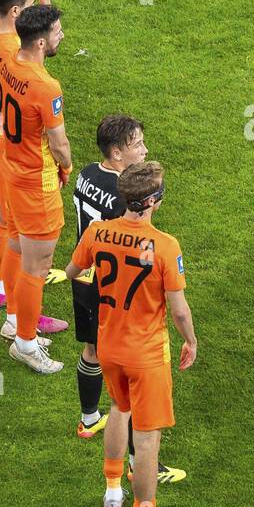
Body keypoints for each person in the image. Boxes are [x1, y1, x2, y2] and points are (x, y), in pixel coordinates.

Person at [65, 161, 197, 507]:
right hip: (146, 355)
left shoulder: (97, 231)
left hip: (109, 347)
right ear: (153, 201)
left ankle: (111, 492)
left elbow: (73, 271)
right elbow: (179, 310)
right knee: (148, 440)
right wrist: (191, 340)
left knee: (118, 409)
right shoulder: (166, 246)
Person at [70, 116, 186, 483]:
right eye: (137, 144)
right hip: (115, 291)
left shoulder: (88, 173)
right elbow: (132, 242)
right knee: (131, 395)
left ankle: (89, 417)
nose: (144, 149)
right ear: (117, 152)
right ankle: (142, 460)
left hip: (87, 272)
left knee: (92, 350)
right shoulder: (125, 198)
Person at [0, 0, 68, 338]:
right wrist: (65, 164)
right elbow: (40, 69)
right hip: (14, 150)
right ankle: (21, 324)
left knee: (7, 223)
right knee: (11, 229)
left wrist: (44, 0)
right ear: (15, 12)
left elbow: (37, 45)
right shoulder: (16, 57)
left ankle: (7, 300)